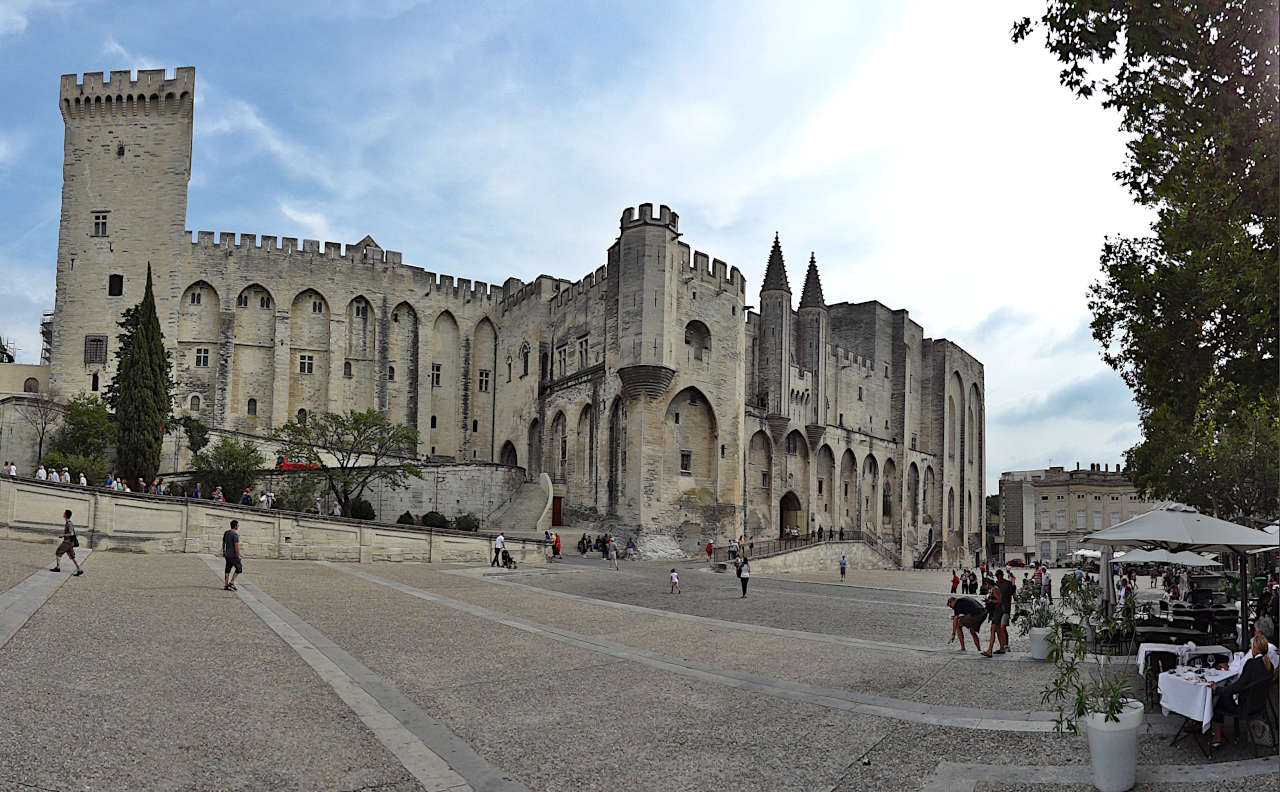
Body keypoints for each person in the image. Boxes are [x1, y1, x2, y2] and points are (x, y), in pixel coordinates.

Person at [1207, 634, 1274, 751]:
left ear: (1254, 648)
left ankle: (1216, 737)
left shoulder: (1251, 664)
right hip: (1259, 705)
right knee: (1223, 694)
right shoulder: (1269, 665)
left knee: (1218, 699)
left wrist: (1217, 688)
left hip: (1246, 707)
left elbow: (1238, 686)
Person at [49, 509, 84, 576]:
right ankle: (79, 569)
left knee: (58, 552)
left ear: (65, 515)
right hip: (69, 543)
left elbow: (71, 533)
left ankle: (58, 568)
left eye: (64, 513)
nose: (63, 514)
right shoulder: (68, 523)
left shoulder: (69, 524)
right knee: (72, 557)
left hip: (67, 542)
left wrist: (63, 535)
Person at [980, 577, 1003, 657]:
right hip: (995, 611)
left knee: (993, 630)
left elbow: (999, 601)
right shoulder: (993, 589)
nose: (985, 587)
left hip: (997, 611)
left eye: (985, 585)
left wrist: (989, 601)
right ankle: (1002, 648)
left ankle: (990, 650)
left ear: (988, 583)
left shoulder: (994, 589)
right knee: (998, 630)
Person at [995, 570, 1015, 654]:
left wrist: (1015, 596)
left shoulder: (1008, 583)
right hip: (998, 609)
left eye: (1000, 575)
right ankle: (1002, 646)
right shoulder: (995, 585)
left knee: (1003, 627)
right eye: (997, 576)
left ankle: (1006, 645)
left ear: (1002, 575)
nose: (999, 577)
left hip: (1006, 609)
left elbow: (1013, 591)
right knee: (998, 628)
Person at [222, 519, 242, 591]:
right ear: (235, 526)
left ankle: (226, 585)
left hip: (227, 554)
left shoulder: (226, 532)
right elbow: (236, 545)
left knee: (227, 569)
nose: (238, 526)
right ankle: (232, 582)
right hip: (233, 555)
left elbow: (223, 542)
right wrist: (238, 555)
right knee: (239, 568)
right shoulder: (235, 534)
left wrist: (224, 551)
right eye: (238, 525)